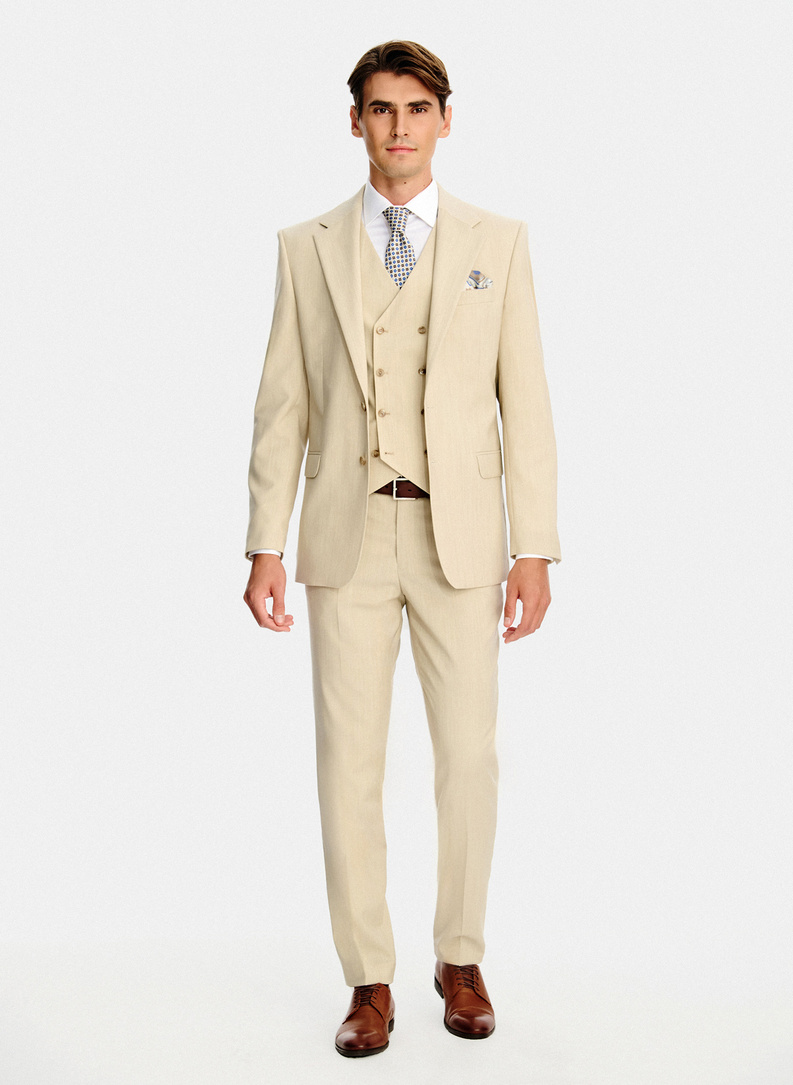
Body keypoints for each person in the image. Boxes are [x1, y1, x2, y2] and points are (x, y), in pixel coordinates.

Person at [243, 40, 561, 1057]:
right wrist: (262, 542)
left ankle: (459, 956)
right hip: (346, 534)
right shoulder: (304, 247)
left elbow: (526, 402)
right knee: (348, 763)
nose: (399, 127)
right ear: (355, 121)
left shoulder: (497, 241)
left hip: (458, 536)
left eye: (417, 108)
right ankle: (368, 977)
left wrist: (535, 546)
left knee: (468, 756)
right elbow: (282, 406)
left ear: (444, 119)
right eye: (380, 109)